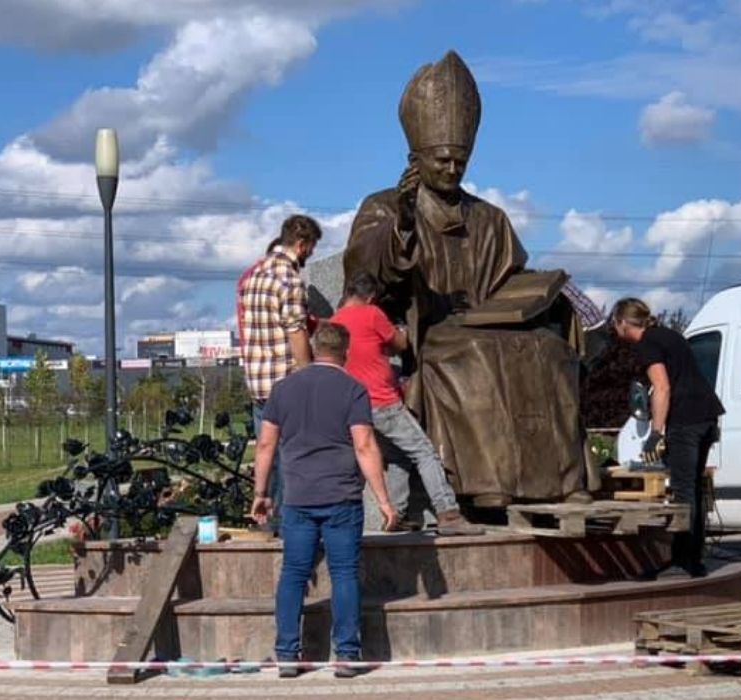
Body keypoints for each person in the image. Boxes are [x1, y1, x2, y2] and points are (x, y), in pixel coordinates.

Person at [344, 50, 588, 507]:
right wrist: (404, 222)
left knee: (548, 349)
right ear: (415, 159)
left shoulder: (489, 217)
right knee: (475, 353)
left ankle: (564, 481)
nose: (453, 169)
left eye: (461, 161)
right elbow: (367, 273)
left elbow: (510, 277)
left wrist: (541, 294)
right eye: (441, 160)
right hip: (431, 331)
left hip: (495, 324)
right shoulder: (384, 205)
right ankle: (486, 483)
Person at [248, 322, 398, 678]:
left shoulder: (283, 390)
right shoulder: (352, 389)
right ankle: (346, 654)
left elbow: (266, 444)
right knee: (344, 574)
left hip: (298, 498)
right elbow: (363, 445)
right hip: (341, 497)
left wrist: (261, 493)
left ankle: (287, 653)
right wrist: (384, 500)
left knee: (294, 574)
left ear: (314, 349)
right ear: (345, 352)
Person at [331, 272, 485, 536]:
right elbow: (400, 344)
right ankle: (448, 513)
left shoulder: (334, 322)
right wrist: (401, 329)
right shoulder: (372, 314)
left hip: (352, 407)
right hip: (383, 402)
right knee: (424, 452)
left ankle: (398, 515)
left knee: (398, 456)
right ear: (370, 297)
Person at [612, 298, 724, 578]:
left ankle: (684, 563)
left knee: (684, 492)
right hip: (707, 415)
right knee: (695, 490)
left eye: (616, 324)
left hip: (686, 420)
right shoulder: (670, 335)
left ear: (624, 323)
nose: (615, 330)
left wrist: (657, 432)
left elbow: (662, 387)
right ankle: (692, 559)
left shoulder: (647, 343)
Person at [239, 215, 322, 523]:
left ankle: (270, 521)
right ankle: (292, 529)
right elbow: (297, 331)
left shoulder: (254, 276)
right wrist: (309, 375)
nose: (310, 254)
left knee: (267, 454)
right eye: (311, 248)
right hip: (285, 381)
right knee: (293, 458)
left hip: (258, 382)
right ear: (301, 244)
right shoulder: (288, 280)